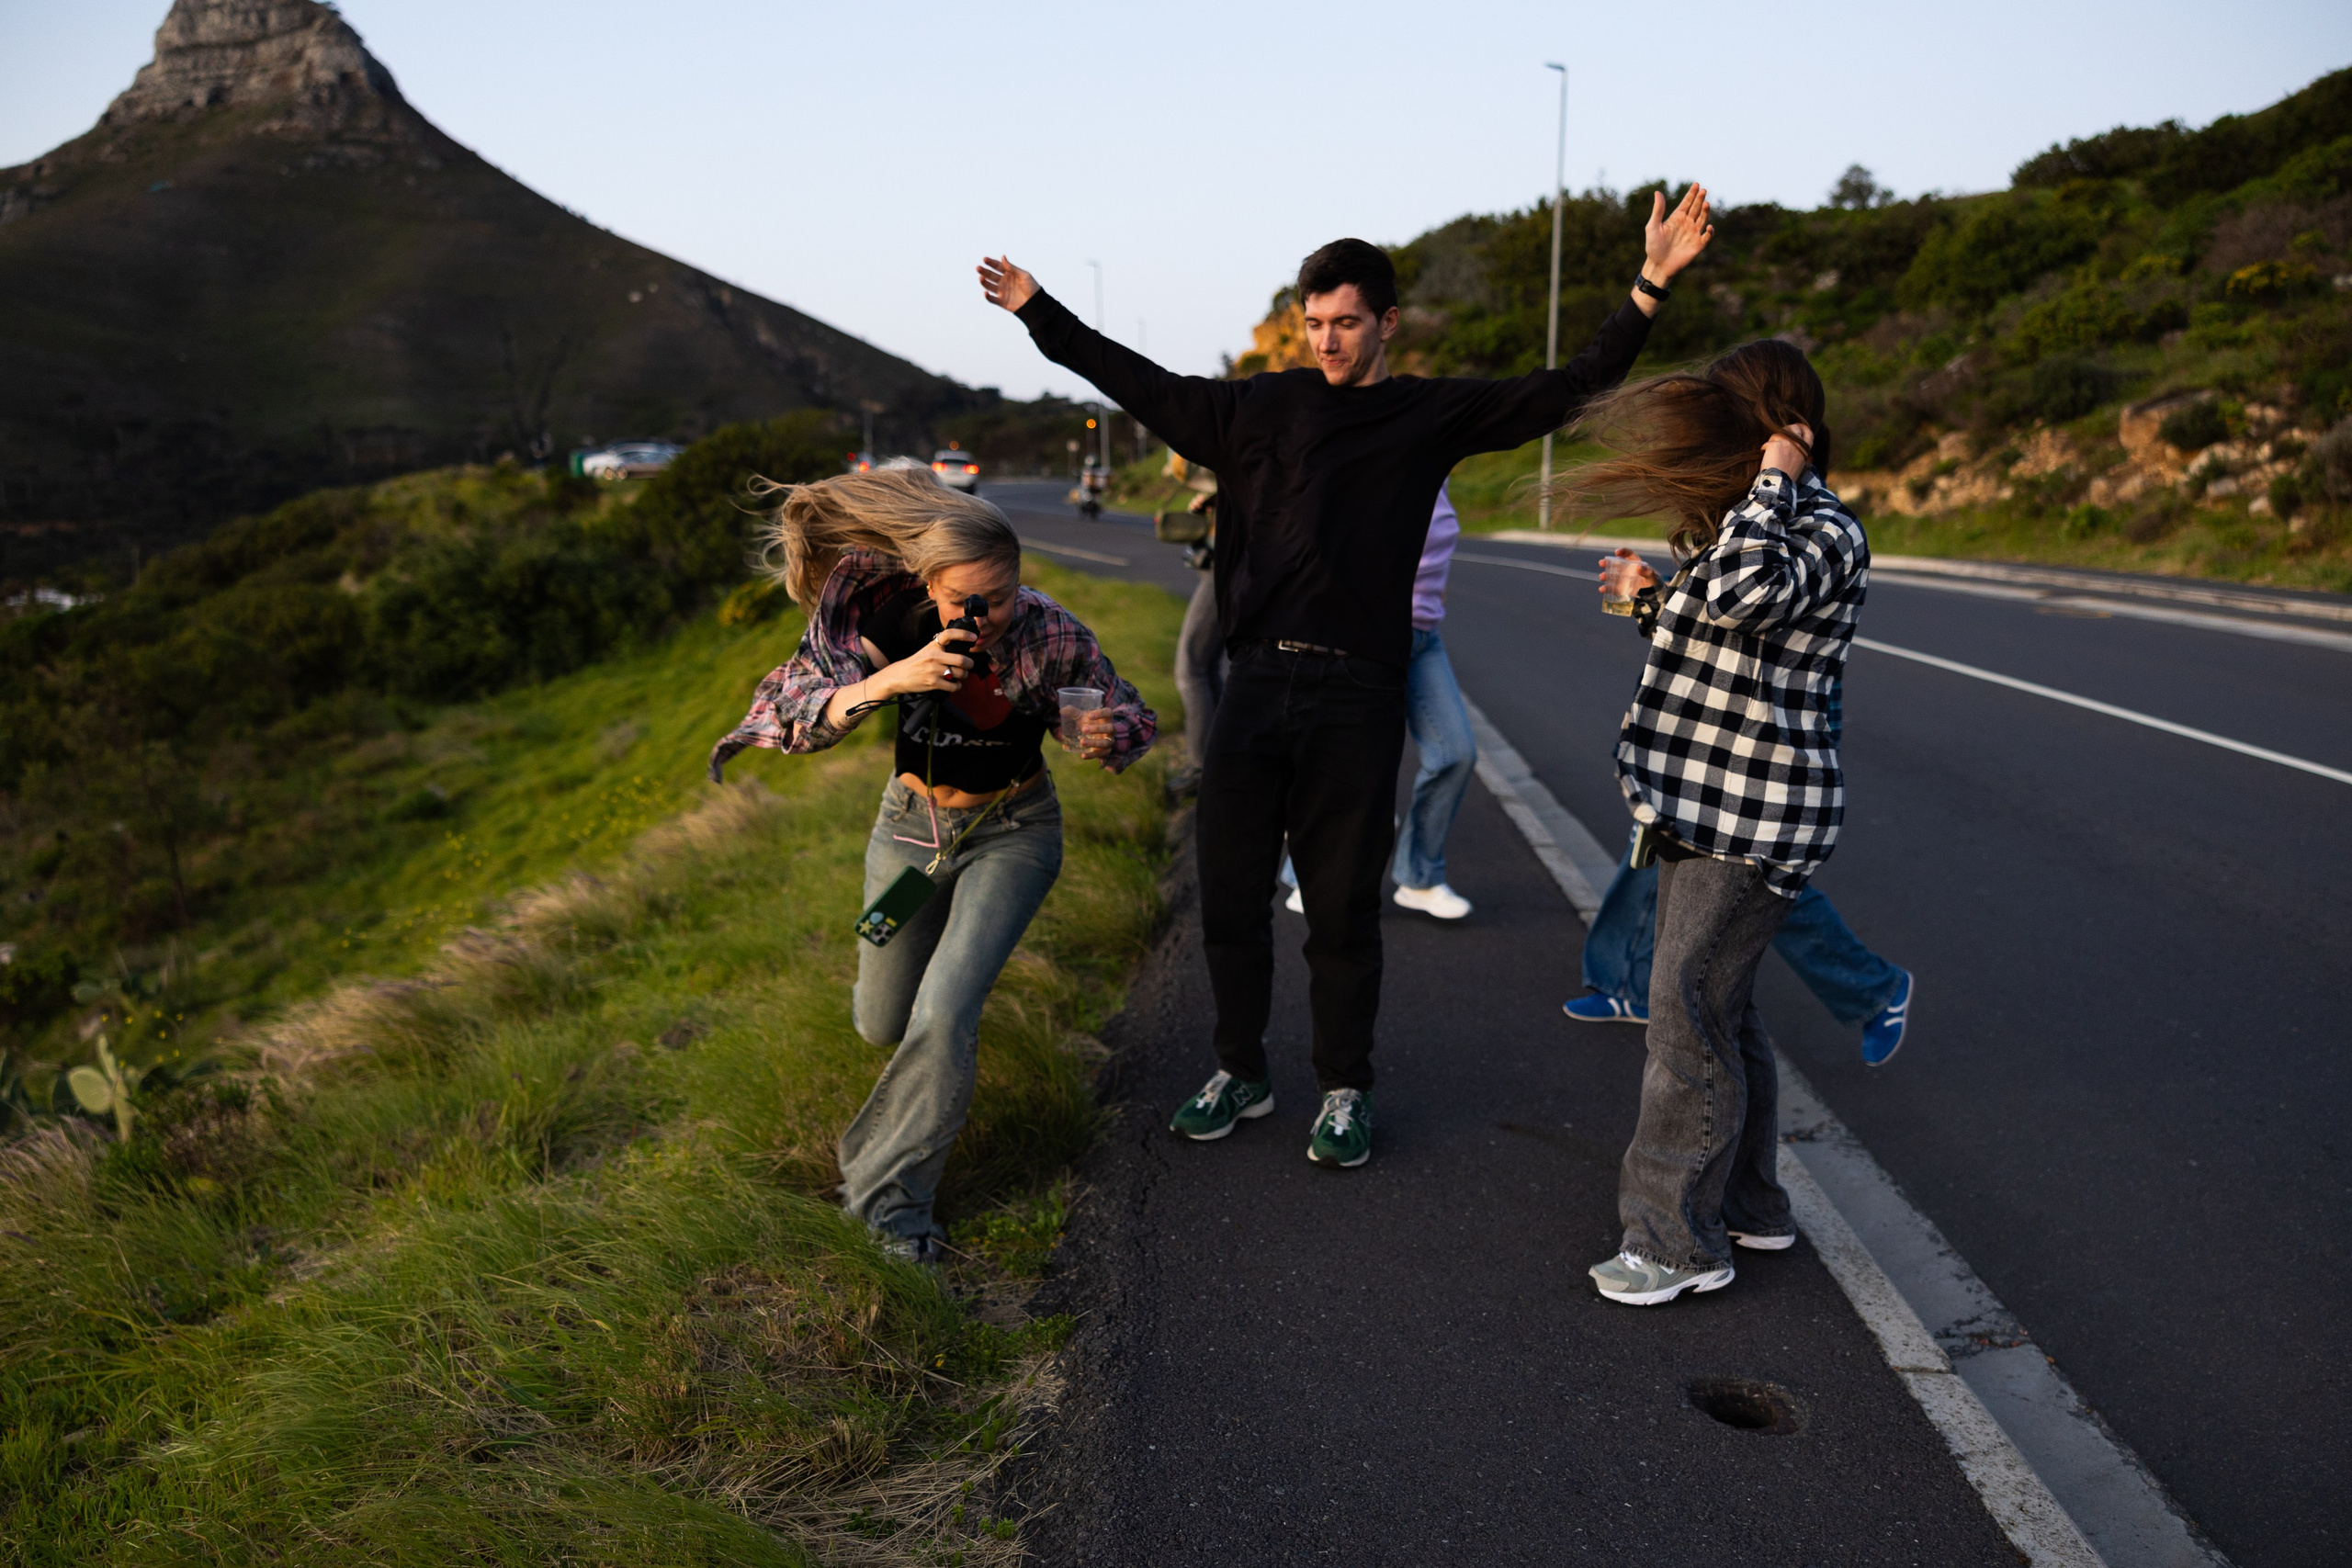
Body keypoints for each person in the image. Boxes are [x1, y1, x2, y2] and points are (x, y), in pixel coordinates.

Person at [979, 186, 1714, 1169]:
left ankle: (1343, 1088)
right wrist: (1039, 309)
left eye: (1346, 324)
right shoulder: (1256, 409)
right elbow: (1138, 382)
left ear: (1386, 324)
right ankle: (1239, 1071)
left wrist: (1649, 284)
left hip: (1357, 697)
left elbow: (1566, 388)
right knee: (1231, 898)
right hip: (1253, 690)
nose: (1328, 342)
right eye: (1314, 323)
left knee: (1340, 911)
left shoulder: (1424, 416)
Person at [707, 468, 1157, 1262]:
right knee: (883, 1021)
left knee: (945, 1014)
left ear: (1021, 583)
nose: (981, 619)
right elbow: (795, 716)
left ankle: (891, 1208)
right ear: (929, 585)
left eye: (1001, 598)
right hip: (909, 835)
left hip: (1013, 829)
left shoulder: (1051, 634)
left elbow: (1132, 716)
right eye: (962, 604)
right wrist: (893, 677)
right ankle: (892, 1125)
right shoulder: (896, 620)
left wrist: (1106, 734)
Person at [1557, 339, 1868, 1307]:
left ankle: (1673, 1242)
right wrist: (1648, 599)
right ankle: (1753, 1207)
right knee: (1721, 1013)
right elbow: (1721, 644)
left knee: (1682, 1011)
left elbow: (1738, 596)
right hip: (1708, 802)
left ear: (1779, 425)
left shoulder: (1816, 526)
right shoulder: (1749, 525)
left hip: (1754, 817)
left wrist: (1778, 480)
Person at [1277, 481, 1478, 919]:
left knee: (1455, 754)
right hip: (1369, 635)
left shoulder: (1438, 468)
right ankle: (1305, 875)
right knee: (1351, 766)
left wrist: (1430, 595)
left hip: (1424, 638)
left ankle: (1419, 877)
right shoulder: (1375, 456)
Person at [1565, 840, 1916, 1066]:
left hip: (1759, 752)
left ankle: (1872, 987)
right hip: (1690, 745)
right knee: (1657, 842)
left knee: (1763, 884)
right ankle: (1629, 984)